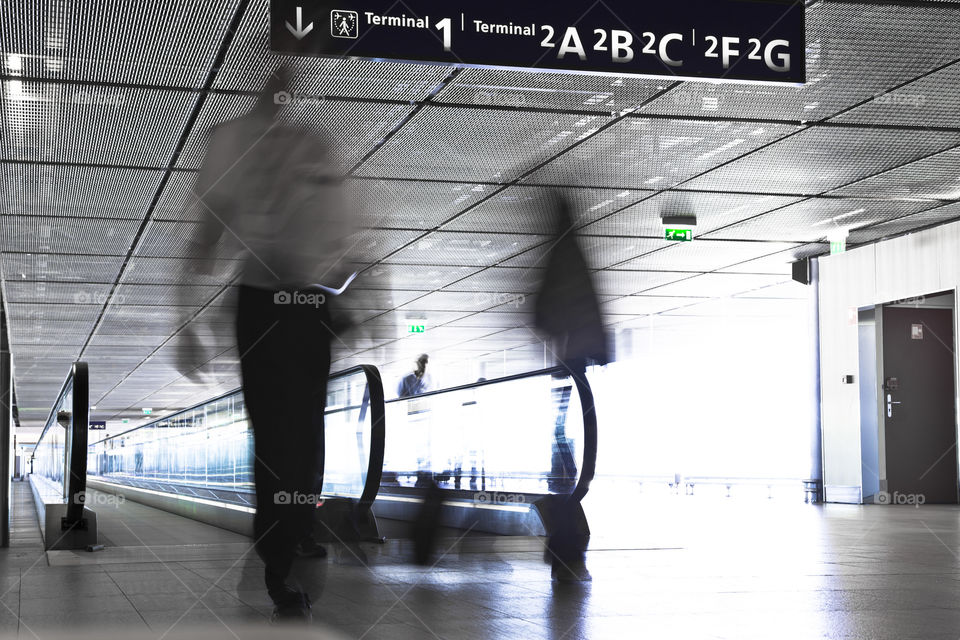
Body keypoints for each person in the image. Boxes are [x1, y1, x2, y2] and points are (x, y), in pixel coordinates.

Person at [183, 67, 356, 622]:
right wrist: (186, 320)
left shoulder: (315, 144)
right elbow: (205, 233)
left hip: (310, 304)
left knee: (306, 435)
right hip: (261, 305)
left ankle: (296, 535)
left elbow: (343, 234)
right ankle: (279, 558)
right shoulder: (231, 138)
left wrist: (363, 299)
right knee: (278, 438)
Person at [534, 190, 609, 582]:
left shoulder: (561, 250)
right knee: (564, 431)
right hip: (574, 362)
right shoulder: (573, 250)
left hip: (568, 364)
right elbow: (588, 302)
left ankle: (562, 481)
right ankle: (564, 483)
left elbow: (550, 304)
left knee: (561, 430)